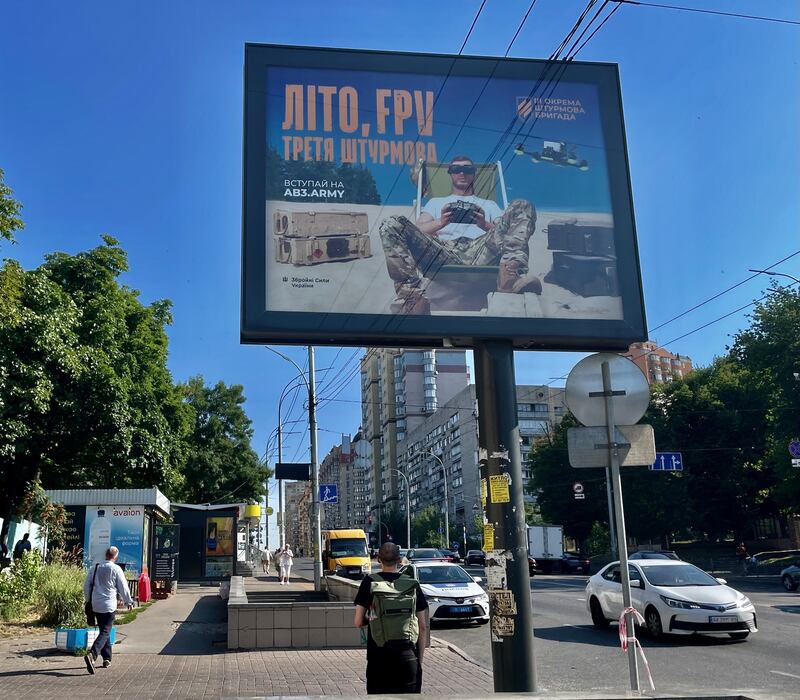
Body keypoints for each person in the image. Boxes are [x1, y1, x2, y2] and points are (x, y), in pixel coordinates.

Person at [379, 155, 539, 314]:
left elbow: (506, 233)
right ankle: (412, 297)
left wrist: (483, 224)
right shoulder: (435, 202)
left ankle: (509, 280)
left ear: (474, 173)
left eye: (467, 169)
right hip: (444, 252)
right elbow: (417, 230)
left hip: (482, 249)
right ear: (450, 173)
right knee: (391, 224)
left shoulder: (489, 204)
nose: (462, 173)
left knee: (522, 205)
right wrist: (441, 222)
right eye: (456, 169)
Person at [354, 542, 428, 695]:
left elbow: (358, 622)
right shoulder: (411, 584)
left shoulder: (369, 582)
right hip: (408, 656)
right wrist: (419, 661)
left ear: (378, 559)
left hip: (379, 658)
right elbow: (422, 626)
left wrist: (374, 618)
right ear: (399, 560)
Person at [82, 546, 134, 674]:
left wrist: (89, 600)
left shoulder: (95, 567)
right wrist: (129, 601)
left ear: (105, 555)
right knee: (106, 631)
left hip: (96, 604)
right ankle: (92, 655)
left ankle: (107, 658)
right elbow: (123, 587)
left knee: (103, 630)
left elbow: (86, 585)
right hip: (109, 605)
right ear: (115, 557)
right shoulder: (116, 569)